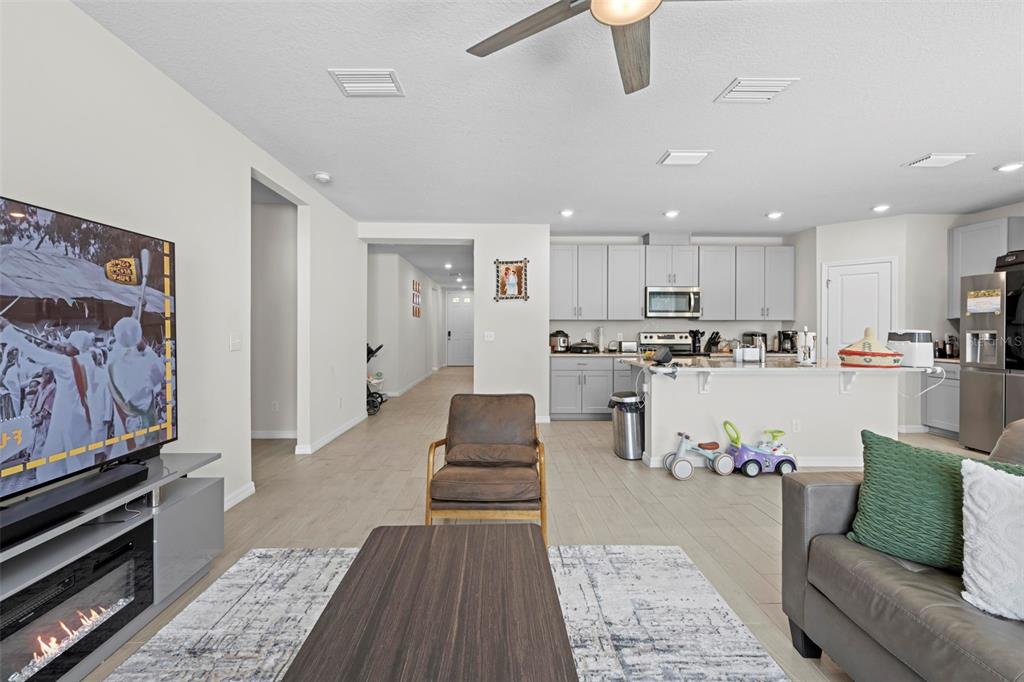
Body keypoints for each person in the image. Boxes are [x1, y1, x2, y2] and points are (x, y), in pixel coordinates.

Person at [0, 320, 97, 475]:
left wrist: (8, 328)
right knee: (80, 459)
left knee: (52, 465)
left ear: (75, 348)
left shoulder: (65, 364)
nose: (66, 345)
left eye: (69, 343)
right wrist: (60, 346)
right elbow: (71, 351)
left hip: (65, 420)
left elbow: (33, 352)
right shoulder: (88, 361)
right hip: (82, 418)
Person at [107, 317, 164, 457]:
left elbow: (123, 340)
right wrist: (144, 347)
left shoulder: (112, 361)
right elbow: (160, 373)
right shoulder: (145, 362)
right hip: (144, 428)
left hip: (123, 428)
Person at [29, 368, 56, 461]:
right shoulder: (41, 387)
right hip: (38, 418)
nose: (47, 376)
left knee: (44, 441)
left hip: (46, 418)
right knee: (37, 441)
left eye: (49, 374)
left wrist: (41, 415)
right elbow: (35, 401)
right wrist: (34, 413)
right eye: (45, 374)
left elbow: (49, 404)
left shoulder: (53, 387)